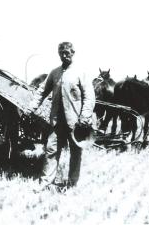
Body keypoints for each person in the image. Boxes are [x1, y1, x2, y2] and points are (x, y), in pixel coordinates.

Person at [32, 42, 95, 191]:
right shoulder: (54, 73)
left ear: (73, 53)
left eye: (67, 52)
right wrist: (32, 107)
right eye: (61, 53)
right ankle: (46, 182)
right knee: (51, 150)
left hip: (76, 122)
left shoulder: (81, 73)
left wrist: (85, 117)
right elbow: (42, 91)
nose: (64, 55)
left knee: (75, 152)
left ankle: (72, 183)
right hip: (57, 121)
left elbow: (89, 97)